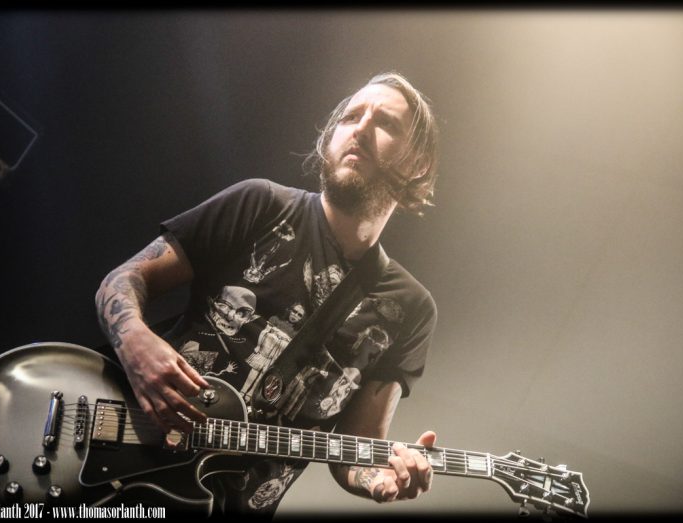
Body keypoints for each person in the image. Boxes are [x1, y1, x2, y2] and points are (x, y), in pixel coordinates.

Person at [95, 71, 439, 516]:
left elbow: (360, 448)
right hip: (129, 464)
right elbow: (124, 279)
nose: (361, 128)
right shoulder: (262, 206)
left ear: (418, 165)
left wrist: (383, 476)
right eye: (352, 115)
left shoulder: (409, 309)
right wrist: (136, 345)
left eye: (385, 122)